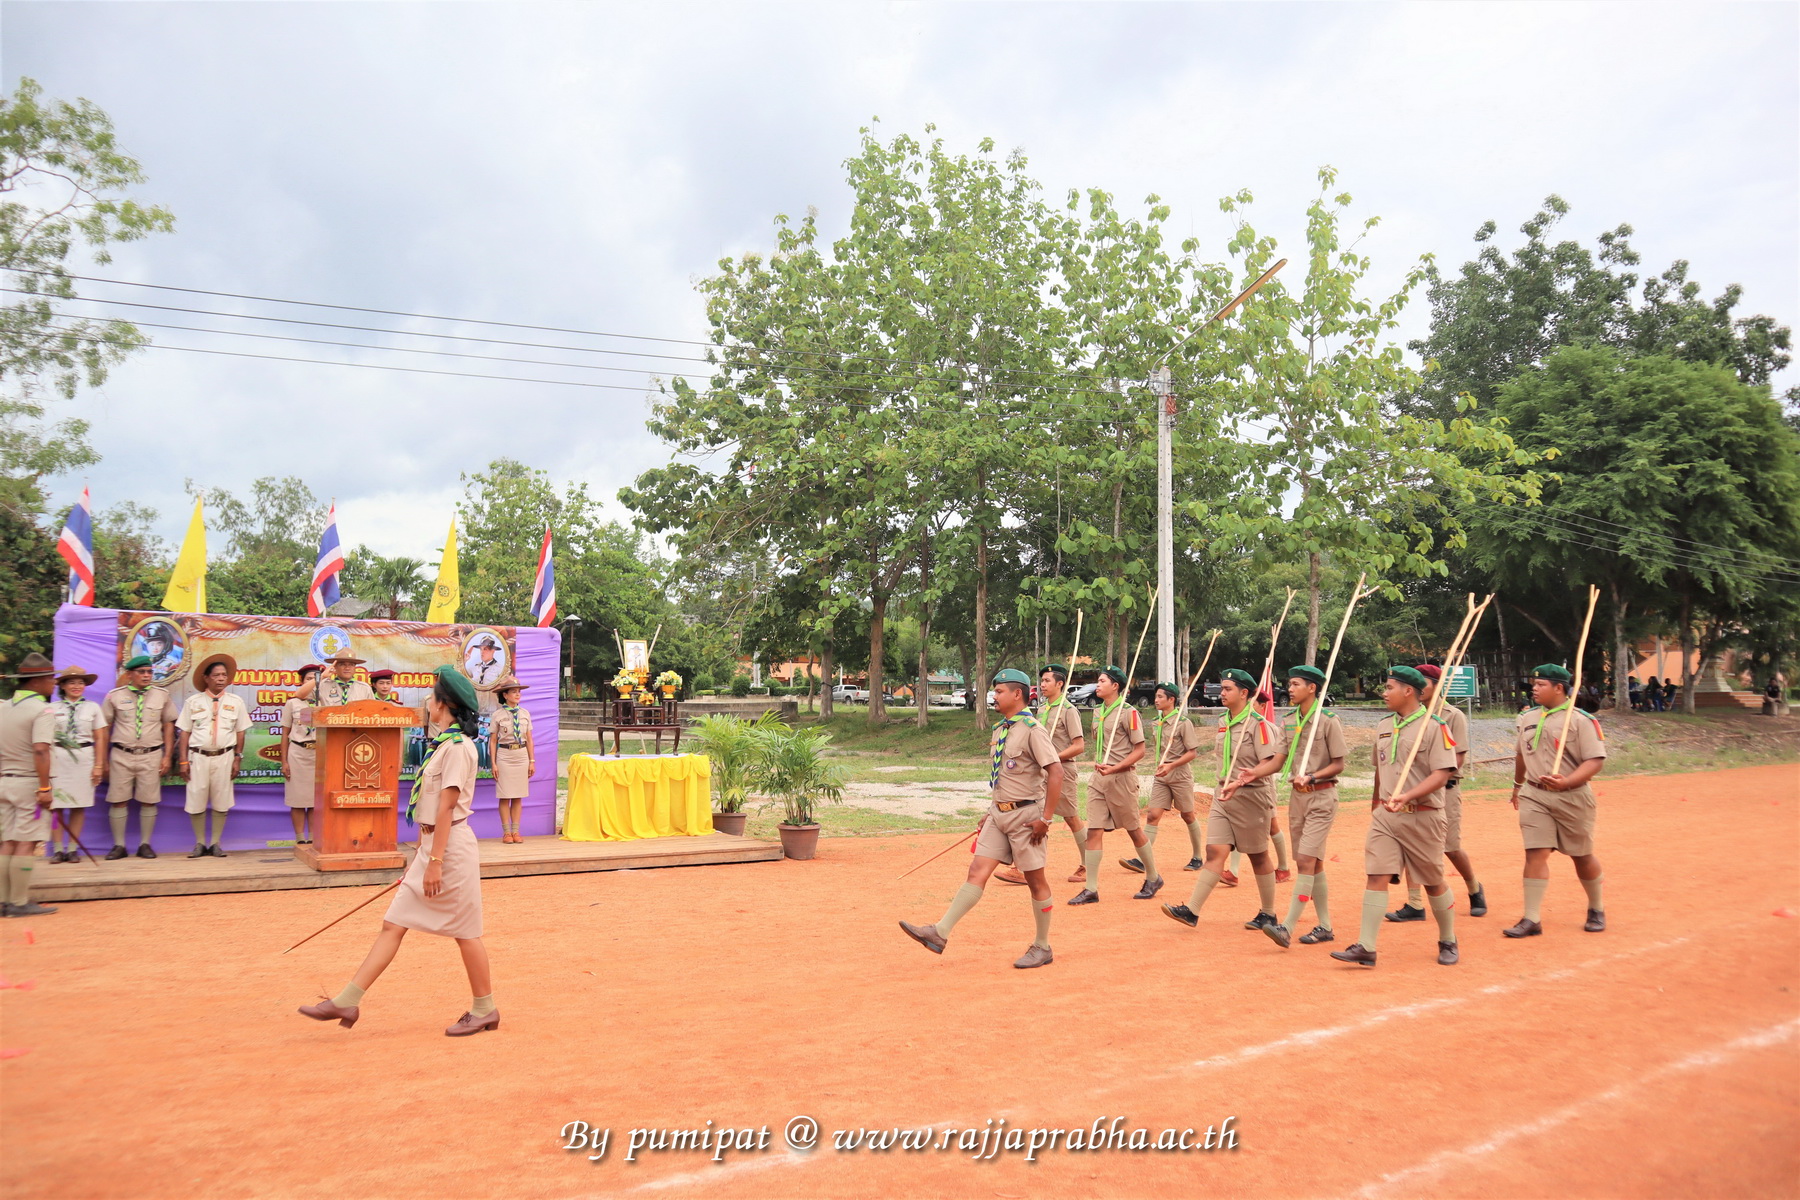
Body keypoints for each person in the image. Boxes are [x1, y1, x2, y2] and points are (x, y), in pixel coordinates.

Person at [299, 666, 500, 1035]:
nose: (426, 704)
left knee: (465, 932)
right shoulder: (444, 744)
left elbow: (447, 809)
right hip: (433, 846)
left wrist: (435, 861)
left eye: (431, 698)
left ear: (443, 704)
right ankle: (347, 1000)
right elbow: (432, 812)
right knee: (393, 923)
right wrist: (422, 858)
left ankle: (485, 1009)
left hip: (450, 850)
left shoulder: (459, 748)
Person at [899, 670, 1064, 968]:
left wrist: (1047, 819)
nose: (994, 696)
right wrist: (990, 810)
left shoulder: (1032, 730)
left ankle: (1042, 946)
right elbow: (1004, 777)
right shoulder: (1001, 730)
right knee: (977, 870)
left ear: (1017, 694)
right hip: (998, 815)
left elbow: (1056, 772)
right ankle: (940, 932)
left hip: (1027, 818)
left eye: (999, 691)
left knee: (1035, 880)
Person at [1328, 666, 1460, 969]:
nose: (1384, 693)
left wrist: (1409, 796)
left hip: (1423, 816)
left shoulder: (1434, 727)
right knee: (1376, 875)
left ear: (1408, 691)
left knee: (1432, 882)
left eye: (1389, 688)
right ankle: (1366, 947)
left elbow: (1442, 774)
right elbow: (1380, 769)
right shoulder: (1384, 725)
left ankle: (1448, 939)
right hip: (1386, 817)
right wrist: (1376, 803)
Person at [1161, 669, 1286, 933]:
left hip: (1251, 795)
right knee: (1215, 851)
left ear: (1244, 693)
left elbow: (1269, 762)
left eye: (1228, 688)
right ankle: (1192, 911)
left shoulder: (1258, 725)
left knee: (1258, 855)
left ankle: (1269, 913)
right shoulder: (1223, 721)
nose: (1222, 693)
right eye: (1222, 687)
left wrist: (1243, 780)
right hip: (1222, 795)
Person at [1505, 664, 1608, 937]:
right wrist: (1517, 786)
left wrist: (1568, 781)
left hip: (1572, 796)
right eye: (1534, 684)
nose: (1534, 689)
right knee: (1535, 853)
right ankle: (1531, 918)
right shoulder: (1527, 717)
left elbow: (1595, 760)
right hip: (1534, 794)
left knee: (1581, 855)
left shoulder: (1581, 720)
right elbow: (1520, 755)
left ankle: (1596, 908)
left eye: (1541, 685)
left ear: (1559, 688)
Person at [1388, 664, 1487, 922]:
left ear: (1437, 685)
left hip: (1443, 790)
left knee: (1450, 847)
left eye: (1425, 682)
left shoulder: (1453, 716)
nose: (1420, 687)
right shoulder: (1406, 714)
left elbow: (1458, 757)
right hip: (1409, 791)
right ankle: (1415, 903)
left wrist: (1432, 778)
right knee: (1410, 844)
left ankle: (1474, 888)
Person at [1263, 665, 1348, 948]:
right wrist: (1249, 775)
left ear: (1312, 688)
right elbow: (1278, 760)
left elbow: (1339, 763)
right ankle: (1325, 926)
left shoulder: (1328, 720)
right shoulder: (1288, 720)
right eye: (1289, 684)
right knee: (1314, 862)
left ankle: (1286, 927)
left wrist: (1312, 776)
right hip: (1297, 799)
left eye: (1296, 684)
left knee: (1305, 862)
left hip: (1322, 796)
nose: (1289, 689)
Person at [1070, 665, 1159, 904]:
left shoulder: (1129, 713)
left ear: (1115, 686)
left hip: (1122, 778)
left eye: (1102, 681)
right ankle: (1091, 888)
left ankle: (1153, 877)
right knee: (1094, 830)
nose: (1097, 685)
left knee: (1134, 830)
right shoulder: (1097, 711)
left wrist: (1116, 767)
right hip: (1099, 779)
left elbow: (1140, 750)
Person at [997, 663, 1087, 887]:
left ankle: (1088, 864)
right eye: (1042, 681)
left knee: (1071, 817)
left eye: (1047, 681)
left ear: (1060, 684)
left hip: (1061, 770)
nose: (1043, 685)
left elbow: (1079, 746)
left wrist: (1052, 758)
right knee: (1031, 813)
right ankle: (1022, 868)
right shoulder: (1042, 709)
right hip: (1039, 772)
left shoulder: (1068, 710)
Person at [96, 654, 175, 859]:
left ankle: (145, 844)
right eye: (141, 672)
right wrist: (102, 760)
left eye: (149, 671)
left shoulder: (162, 695)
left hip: (151, 754)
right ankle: (119, 846)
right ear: (130, 674)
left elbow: (169, 725)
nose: (147, 675)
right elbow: (104, 728)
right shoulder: (114, 696)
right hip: (121, 754)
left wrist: (167, 756)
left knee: (149, 800)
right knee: (118, 799)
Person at [1120, 683, 1204, 876]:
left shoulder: (1183, 723)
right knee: (1153, 815)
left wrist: (1171, 766)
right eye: (1156, 696)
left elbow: (1192, 753)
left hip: (1180, 775)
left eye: (1160, 697)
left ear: (1171, 699)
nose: (1156, 700)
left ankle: (1198, 857)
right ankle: (1143, 860)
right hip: (1161, 776)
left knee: (1188, 815)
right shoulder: (1156, 722)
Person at [0, 653, 59, 917]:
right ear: (36, 681)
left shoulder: (3, 707)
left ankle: (4, 901)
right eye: (50, 678)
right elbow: (40, 750)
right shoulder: (42, 710)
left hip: (5, 781)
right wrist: (44, 788)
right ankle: (19, 902)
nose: (53, 683)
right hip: (29, 784)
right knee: (26, 842)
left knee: (8, 842)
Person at [174, 654, 249, 858]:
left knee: (222, 800)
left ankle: (216, 843)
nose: (221, 678)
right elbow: (184, 733)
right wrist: (183, 761)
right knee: (196, 799)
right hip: (197, 757)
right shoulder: (193, 701)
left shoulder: (236, 702)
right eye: (216, 675)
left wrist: (237, 758)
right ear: (206, 678)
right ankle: (199, 843)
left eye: (224, 675)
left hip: (224, 757)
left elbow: (241, 732)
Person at [39, 665, 103, 863]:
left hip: (84, 757)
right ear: (63, 686)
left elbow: (100, 737)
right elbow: (44, 737)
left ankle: (73, 849)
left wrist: (99, 765)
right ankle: (58, 849)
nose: (77, 686)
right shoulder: (52, 708)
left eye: (81, 682)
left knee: (79, 804)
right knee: (55, 806)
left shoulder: (93, 707)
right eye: (72, 682)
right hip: (58, 757)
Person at [279, 665, 322, 846]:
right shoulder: (292, 703)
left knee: (314, 800)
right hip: (297, 753)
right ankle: (299, 838)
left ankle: (312, 837)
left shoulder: (325, 702)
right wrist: (284, 762)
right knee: (297, 799)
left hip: (319, 754)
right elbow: (285, 734)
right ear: (301, 682)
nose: (312, 683)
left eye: (315, 679)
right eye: (308, 679)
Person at [488, 677, 534, 843]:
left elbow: (529, 739)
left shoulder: (525, 713)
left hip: (521, 755)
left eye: (519, 691)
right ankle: (506, 833)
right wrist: (493, 763)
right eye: (513, 692)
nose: (517, 694)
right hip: (505, 756)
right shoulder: (497, 715)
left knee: (518, 795)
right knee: (505, 795)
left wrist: (532, 761)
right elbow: (493, 741)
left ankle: (516, 831)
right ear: (505, 695)